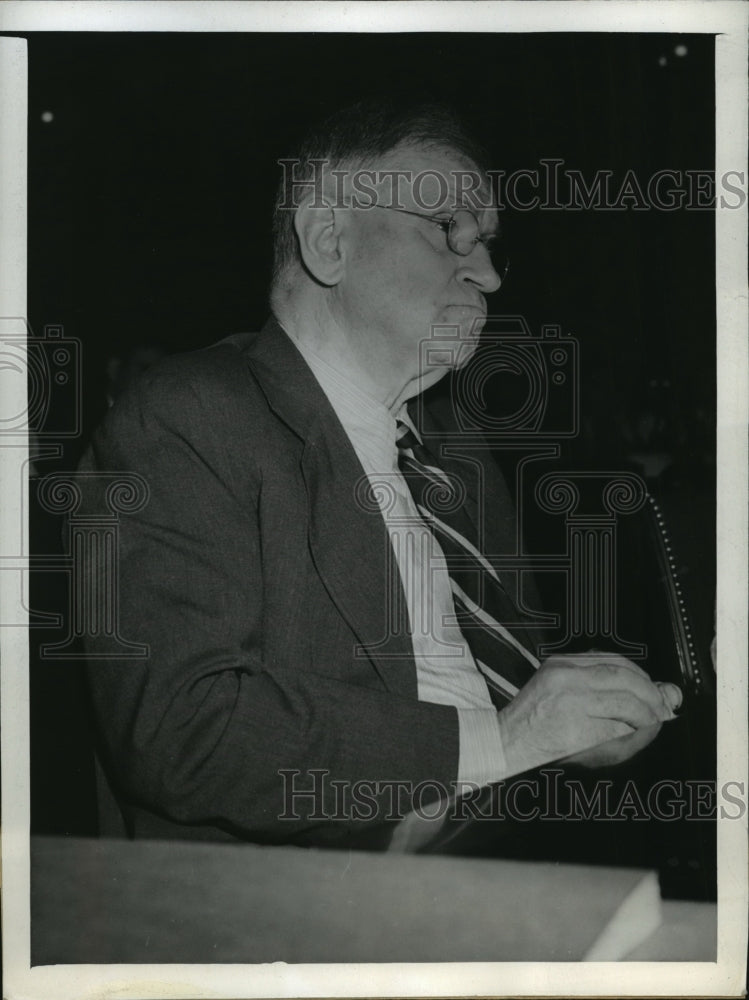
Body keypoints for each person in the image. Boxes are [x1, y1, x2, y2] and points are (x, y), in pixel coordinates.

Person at [78, 101, 682, 850]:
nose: (488, 274)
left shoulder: (455, 450)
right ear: (329, 241)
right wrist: (505, 738)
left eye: (490, 244)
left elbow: (503, 706)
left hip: (516, 849)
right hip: (310, 905)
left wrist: (577, 721)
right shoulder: (189, 414)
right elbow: (182, 730)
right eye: (447, 230)